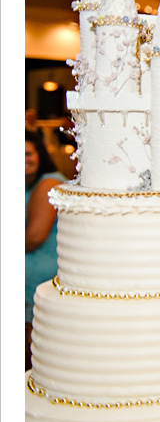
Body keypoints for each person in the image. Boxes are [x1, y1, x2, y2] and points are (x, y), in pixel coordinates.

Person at [25, 130, 68, 370]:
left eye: (28, 153)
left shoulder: (48, 183)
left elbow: (34, 236)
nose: (23, 159)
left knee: (32, 359)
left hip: (38, 284)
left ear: (40, 153)